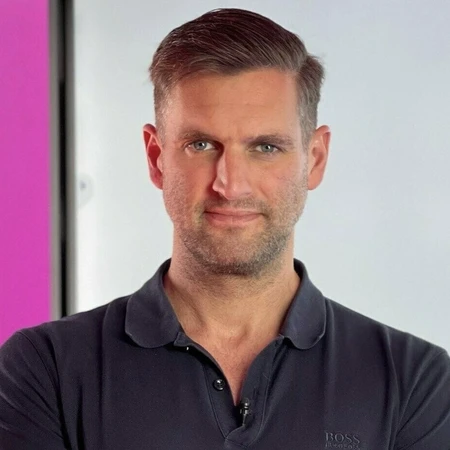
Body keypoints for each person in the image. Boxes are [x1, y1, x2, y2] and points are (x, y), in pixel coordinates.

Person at [0, 8, 449, 450]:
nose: (230, 185)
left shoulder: (415, 382)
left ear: (314, 159)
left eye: (265, 147)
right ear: (156, 157)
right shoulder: (45, 370)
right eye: (201, 144)